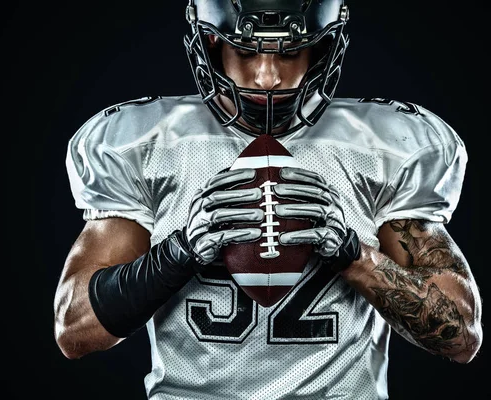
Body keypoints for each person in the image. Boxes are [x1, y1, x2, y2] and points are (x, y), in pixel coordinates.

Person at [53, 1, 483, 399]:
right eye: (246, 52)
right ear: (211, 43)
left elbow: (461, 337)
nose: (267, 77)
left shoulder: (385, 147)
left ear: (322, 48)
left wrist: (353, 254)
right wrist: (179, 253)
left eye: (290, 53)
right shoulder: (145, 145)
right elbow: (75, 329)